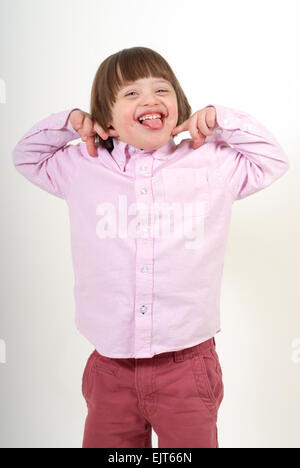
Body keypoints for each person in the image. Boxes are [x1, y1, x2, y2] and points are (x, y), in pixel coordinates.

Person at [12, 46, 290, 448]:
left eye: (162, 89)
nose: (149, 99)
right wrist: (72, 123)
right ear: (105, 118)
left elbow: (272, 161)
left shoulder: (211, 162)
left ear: (178, 106)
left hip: (187, 365)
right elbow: (26, 156)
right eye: (130, 94)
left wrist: (221, 121)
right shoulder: (82, 167)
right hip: (110, 367)